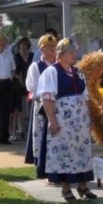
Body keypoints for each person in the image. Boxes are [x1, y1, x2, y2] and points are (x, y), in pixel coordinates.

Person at [37, 39, 98, 200]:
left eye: (74, 52)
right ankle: (65, 188)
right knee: (64, 152)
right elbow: (47, 98)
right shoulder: (52, 72)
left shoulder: (78, 72)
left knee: (82, 152)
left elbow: (85, 98)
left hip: (79, 121)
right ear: (61, 54)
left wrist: (89, 119)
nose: (74, 55)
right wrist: (52, 120)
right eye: (71, 52)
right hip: (63, 121)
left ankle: (83, 186)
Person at [25, 34, 58, 178]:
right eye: (48, 47)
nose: (52, 49)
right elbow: (32, 86)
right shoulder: (36, 66)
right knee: (41, 134)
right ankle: (42, 167)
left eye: (54, 47)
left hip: (59, 104)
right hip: (42, 105)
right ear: (42, 49)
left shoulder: (59, 65)